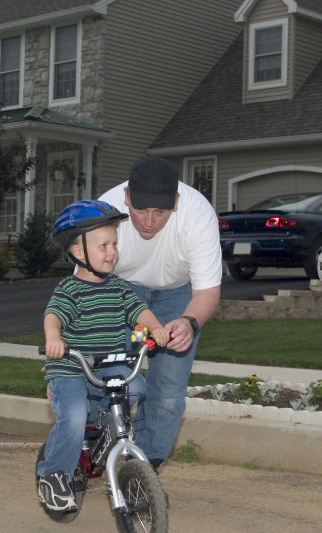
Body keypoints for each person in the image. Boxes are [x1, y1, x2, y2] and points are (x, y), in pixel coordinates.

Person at [36, 199, 170, 513]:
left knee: (137, 389)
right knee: (72, 416)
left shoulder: (119, 288)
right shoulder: (69, 290)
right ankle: (53, 476)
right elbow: (53, 317)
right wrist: (53, 338)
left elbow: (140, 311)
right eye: (104, 245)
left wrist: (155, 327)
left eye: (114, 244)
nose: (112, 251)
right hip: (71, 368)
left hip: (107, 367)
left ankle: (105, 431)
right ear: (79, 252)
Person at [99, 156, 222, 471]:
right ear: (127, 198)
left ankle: (144, 470)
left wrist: (189, 321)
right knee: (108, 372)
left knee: (167, 388)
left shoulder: (198, 215)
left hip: (178, 294)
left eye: (160, 212)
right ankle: (96, 440)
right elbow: (84, 290)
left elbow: (207, 291)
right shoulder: (104, 212)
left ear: (176, 202)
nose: (149, 222)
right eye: (140, 210)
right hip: (120, 288)